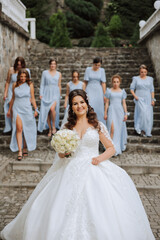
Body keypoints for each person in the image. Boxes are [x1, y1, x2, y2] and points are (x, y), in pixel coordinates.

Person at [1, 89, 155, 240]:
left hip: (94, 167)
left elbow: (111, 148)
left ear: (87, 104)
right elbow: (61, 154)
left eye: (81, 102)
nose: (79, 106)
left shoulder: (97, 125)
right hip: (70, 168)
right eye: (75, 103)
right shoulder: (67, 128)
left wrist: (99, 159)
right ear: (71, 107)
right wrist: (63, 152)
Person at [6, 69, 38, 160]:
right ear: (19, 76)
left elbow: (32, 98)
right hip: (17, 108)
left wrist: (36, 109)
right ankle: (20, 150)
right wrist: (9, 110)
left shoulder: (30, 85)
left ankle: (25, 147)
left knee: (25, 129)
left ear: (27, 77)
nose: (23, 78)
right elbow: (12, 98)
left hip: (27, 109)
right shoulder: (14, 85)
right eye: (21, 76)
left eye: (25, 77)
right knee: (19, 128)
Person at [3, 57, 31, 133]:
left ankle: (20, 126)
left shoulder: (26, 70)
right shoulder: (11, 70)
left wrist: (29, 95)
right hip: (11, 90)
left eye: (20, 64)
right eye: (18, 64)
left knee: (19, 109)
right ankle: (13, 127)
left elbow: (28, 83)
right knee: (12, 109)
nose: (19, 66)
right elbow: (8, 82)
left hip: (21, 90)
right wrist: (5, 93)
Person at [104, 75, 128, 156]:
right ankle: (110, 148)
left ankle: (116, 148)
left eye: (117, 82)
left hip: (120, 112)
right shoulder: (109, 91)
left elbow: (124, 103)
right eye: (114, 82)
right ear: (112, 82)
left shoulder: (122, 92)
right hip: (111, 110)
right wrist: (105, 113)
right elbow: (107, 103)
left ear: (119, 83)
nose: (115, 83)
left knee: (118, 130)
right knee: (112, 129)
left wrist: (125, 113)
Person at [38, 59, 62, 136]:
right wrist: (41, 93)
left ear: (56, 65)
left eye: (54, 64)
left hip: (55, 93)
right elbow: (42, 84)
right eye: (51, 64)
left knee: (52, 109)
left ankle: (54, 126)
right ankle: (50, 129)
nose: (53, 65)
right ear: (49, 65)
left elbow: (59, 85)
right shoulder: (44, 73)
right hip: (46, 93)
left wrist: (59, 96)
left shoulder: (59, 74)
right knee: (48, 111)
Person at [130, 64, 155, 137]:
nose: (143, 73)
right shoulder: (135, 79)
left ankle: (146, 130)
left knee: (148, 115)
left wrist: (153, 99)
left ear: (147, 72)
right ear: (139, 72)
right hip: (139, 98)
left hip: (148, 98)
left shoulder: (150, 79)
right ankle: (139, 129)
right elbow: (131, 89)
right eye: (141, 72)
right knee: (142, 113)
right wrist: (135, 96)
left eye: (145, 72)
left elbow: (152, 90)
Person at [84, 57, 106, 125]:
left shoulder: (102, 70)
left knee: (99, 108)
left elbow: (103, 83)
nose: (97, 67)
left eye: (99, 65)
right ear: (93, 64)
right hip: (90, 89)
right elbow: (85, 82)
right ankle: (89, 123)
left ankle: (99, 124)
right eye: (96, 65)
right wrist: (83, 92)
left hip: (98, 90)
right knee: (90, 105)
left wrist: (104, 94)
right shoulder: (88, 70)